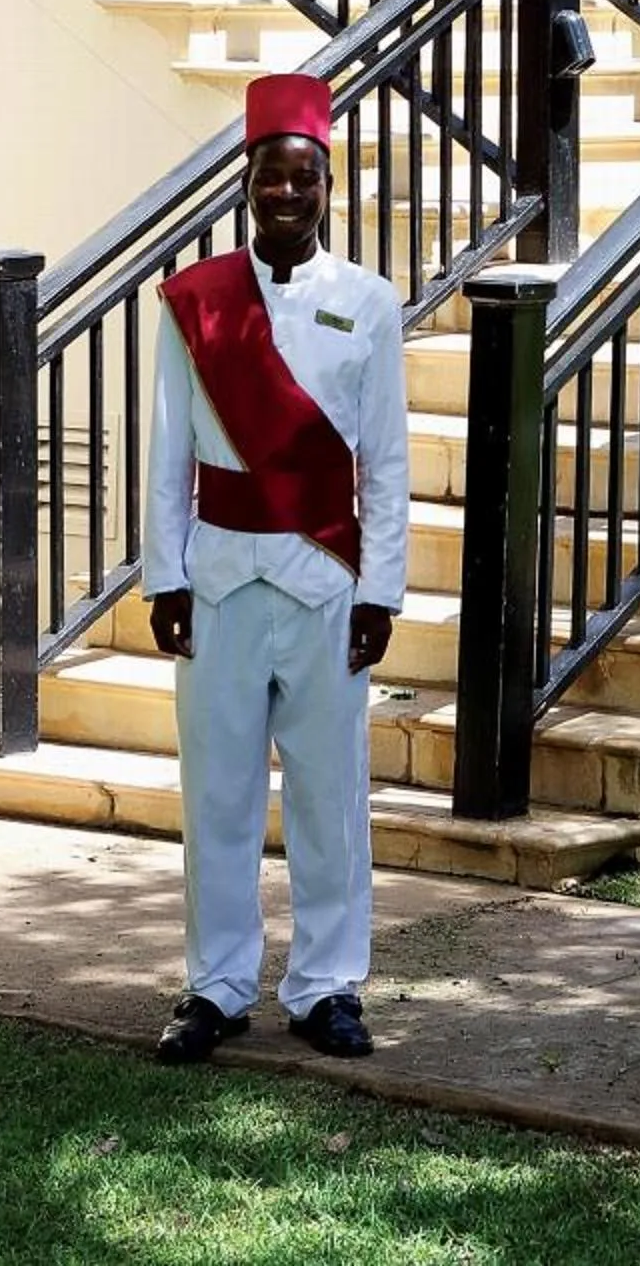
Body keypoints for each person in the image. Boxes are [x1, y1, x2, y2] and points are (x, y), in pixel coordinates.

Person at [141, 72, 410, 1065]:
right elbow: (167, 448)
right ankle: (214, 986)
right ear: (246, 186)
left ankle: (327, 985)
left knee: (329, 793)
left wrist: (380, 590)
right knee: (216, 790)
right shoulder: (196, 303)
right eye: (270, 176)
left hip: (325, 580)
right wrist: (162, 575)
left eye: (304, 177)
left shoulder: (368, 303)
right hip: (216, 582)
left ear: (329, 186)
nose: (286, 193)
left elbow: (384, 461)